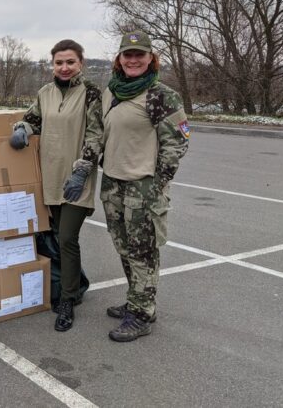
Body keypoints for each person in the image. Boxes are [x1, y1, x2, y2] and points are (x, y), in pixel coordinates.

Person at [100, 30, 189, 342]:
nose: (133, 59)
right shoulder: (111, 91)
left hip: (143, 186)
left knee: (143, 252)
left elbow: (177, 143)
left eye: (140, 54)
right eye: (128, 54)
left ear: (151, 58)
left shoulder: (162, 95)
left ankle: (142, 313)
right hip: (112, 183)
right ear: (119, 59)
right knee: (124, 247)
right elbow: (101, 132)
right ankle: (136, 298)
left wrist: (158, 184)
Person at [11, 39, 103, 332]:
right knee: (54, 236)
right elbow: (32, 119)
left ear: (81, 64)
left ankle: (68, 299)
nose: (64, 68)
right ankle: (75, 284)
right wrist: (21, 129)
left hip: (76, 180)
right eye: (58, 62)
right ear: (52, 65)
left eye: (70, 62)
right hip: (49, 179)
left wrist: (82, 170)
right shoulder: (45, 92)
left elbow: (95, 134)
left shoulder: (90, 93)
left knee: (67, 238)